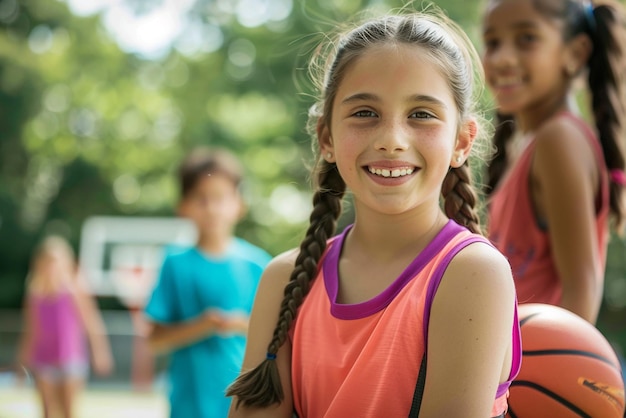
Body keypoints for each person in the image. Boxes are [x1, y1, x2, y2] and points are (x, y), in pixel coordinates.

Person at [226, 9, 521, 418]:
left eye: (421, 114)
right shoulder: (284, 280)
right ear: (327, 137)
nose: (392, 140)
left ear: (462, 141)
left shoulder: (473, 272)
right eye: (365, 113)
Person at [481, 0, 626, 325]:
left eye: (526, 38)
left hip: (534, 371)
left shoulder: (559, 140)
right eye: (492, 43)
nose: (502, 58)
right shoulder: (538, 143)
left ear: (575, 53)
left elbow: (582, 287)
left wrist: (556, 374)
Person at [143, 146, 272, 418]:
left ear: (239, 204)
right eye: (201, 198)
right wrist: (203, 325)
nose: (211, 208)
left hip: (246, 402)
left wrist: (241, 325)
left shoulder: (260, 265)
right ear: (183, 206)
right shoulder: (174, 263)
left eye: (220, 197)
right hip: (188, 405)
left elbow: (280, 339)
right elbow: (155, 340)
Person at [16, 235, 113, 418]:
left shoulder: (76, 289)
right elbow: (31, 331)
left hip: (71, 358)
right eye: (48, 262)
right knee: (46, 411)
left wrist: (100, 352)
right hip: (43, 359)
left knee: (68, 412)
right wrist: (22, 361)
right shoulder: (34, 295)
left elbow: (92, 323)